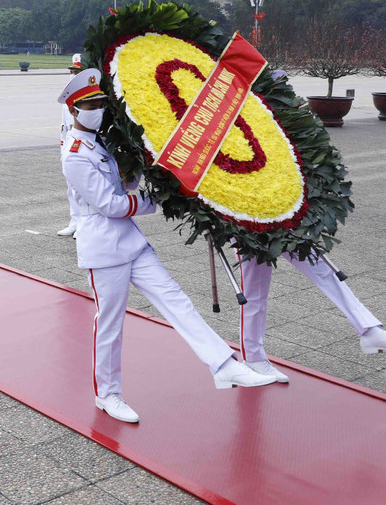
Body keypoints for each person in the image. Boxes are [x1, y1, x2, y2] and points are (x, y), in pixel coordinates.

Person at [59, 68, 275, 423]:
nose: (98, 108)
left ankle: (223, 364)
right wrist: (155, 200)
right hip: (103, 249)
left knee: (177, 300)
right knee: (110, 324)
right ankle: (108, 395)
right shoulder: (75, 153)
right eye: (90, 104)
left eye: (100, 101)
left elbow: (125, 179)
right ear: (73, 110)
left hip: (131, 243)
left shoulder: (100, 141)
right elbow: (110, 205)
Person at [237, 253, 386, 383]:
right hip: (245, 219)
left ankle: (369, 329)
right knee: (254, 291)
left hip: (282, 212)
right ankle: (253, 357)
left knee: (322, 268)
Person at [58, 54, 83, 237]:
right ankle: (74, 221)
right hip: (67, 140)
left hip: (81, 143)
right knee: (70, 186)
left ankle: (84, 223)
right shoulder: (67, 94)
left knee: (81, 187)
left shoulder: (88, 96)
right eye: (72, 71)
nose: (73, 75)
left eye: (77, 72)